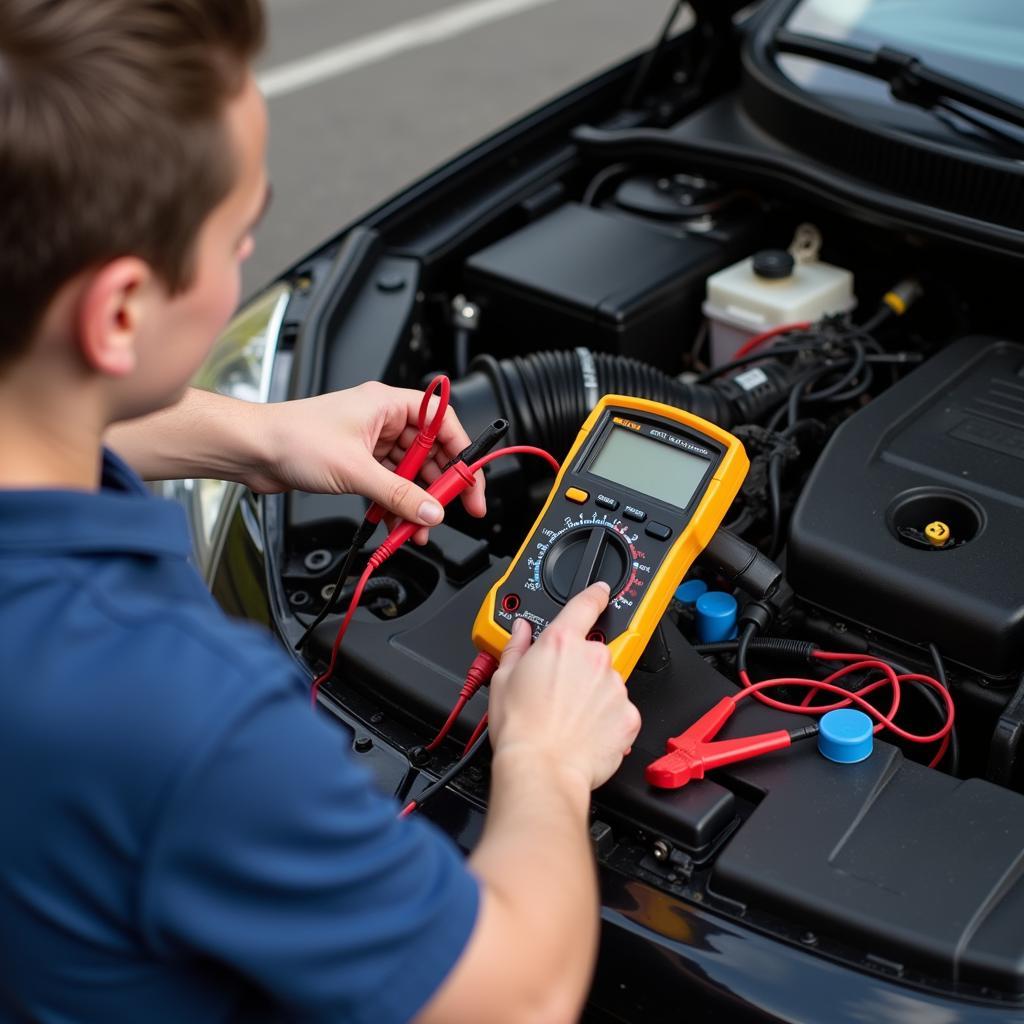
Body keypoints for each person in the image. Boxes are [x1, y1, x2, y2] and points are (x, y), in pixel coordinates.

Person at [0, 2, 642, 1023]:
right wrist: (546, 759)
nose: (248, 258)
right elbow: (516, 996)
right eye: (241, 233)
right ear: (118, 312)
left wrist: (257, 435)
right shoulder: (169, 710)